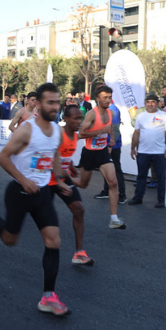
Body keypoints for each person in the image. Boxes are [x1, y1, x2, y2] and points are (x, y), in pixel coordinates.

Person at [0, 83, 72, 316]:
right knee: (10, 240)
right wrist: (23, 179)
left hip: (41, 193)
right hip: (19, 192)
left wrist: (58, 180)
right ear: (37, 104)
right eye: (50, 102)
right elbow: (3, 157)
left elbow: (54, 154)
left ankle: (48, 297)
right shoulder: (27, 130)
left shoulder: (56, 130)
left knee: (54, 241)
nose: (55, 106)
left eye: (57, 102)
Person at [72, 85, 126, 230]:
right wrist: (99, 131)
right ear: (98, 99)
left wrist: (112, 140)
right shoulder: (91, 114)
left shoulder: (110, 113)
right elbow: (81, 134)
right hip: (89, 152)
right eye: (104, 97)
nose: (108, 100)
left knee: (113, 183)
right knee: (83, 184)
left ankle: (113, 219)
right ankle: (64, 179)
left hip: (102, 152)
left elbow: (110, 128)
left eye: (109, 97)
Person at [47, 104, 93, 266]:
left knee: (79, 209)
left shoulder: (75, 135)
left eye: (80, 118)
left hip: (62, 178)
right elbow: (52, 157)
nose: (79, 122)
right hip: (48, 180)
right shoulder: (58, 134)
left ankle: (79, 253)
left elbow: (65, 156)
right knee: (44, 221)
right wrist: (60, 180)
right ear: (65, 119)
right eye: (75, 119)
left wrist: (71, 167)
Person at [128, 93, 166, 208]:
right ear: (145, 103)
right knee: (141, 176)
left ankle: (161, 199)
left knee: (160, 177)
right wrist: (133, 148)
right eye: (148, 102)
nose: (150, 104)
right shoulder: (140, 116)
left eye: (153, 102)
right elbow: (136, 133)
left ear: (157, 103)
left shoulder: (164, 115)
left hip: (159, 152)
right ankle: (138, 198)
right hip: (143, 151)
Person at [94, 101, 127, 203]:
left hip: (113, 146)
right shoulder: (102, 108)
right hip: (104, 144)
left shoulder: (112, 109)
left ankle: (122, 195)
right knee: (105, 167)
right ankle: (106, 190)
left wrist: (111, 145)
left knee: (116, 169)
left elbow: (116, 129)